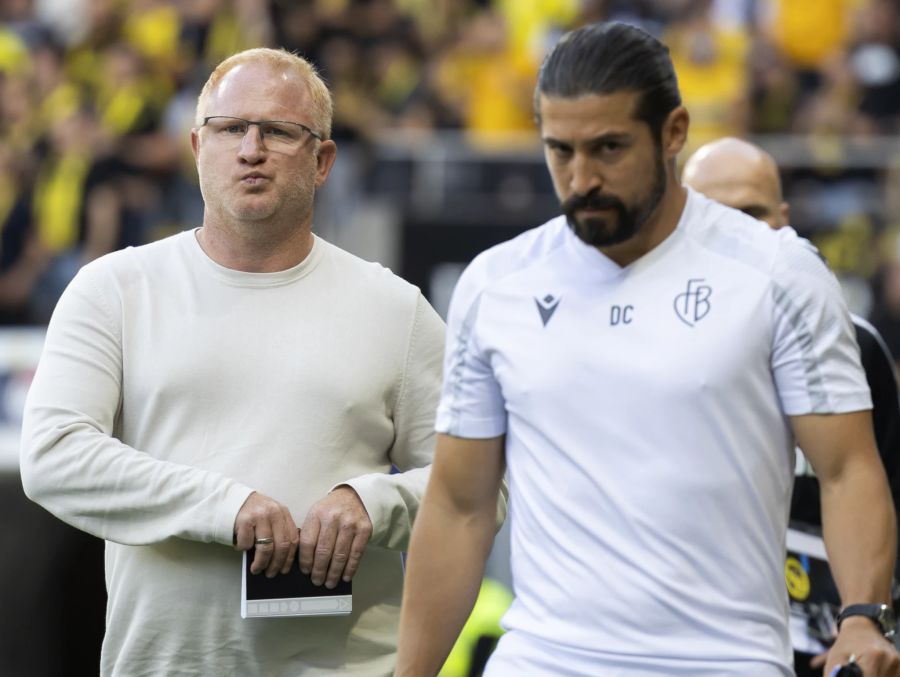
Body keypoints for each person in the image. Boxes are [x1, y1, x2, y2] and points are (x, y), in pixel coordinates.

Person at [396, 21, 900, 677]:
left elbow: (848, 469)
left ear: (674, 131)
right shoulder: (497, 284)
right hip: (542, 658)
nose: (582, 178)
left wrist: (863, 616)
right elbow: (460, 506)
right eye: (560, 151)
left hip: (725, 662)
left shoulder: (778, 273)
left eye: (608, 148)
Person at [19, 47, 450, 676]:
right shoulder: (113, 289)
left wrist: (373, 503)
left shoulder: (395, 308)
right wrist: (225, 507)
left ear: (323, 160)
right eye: (230, 130)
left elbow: (475, 486)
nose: (251, 149)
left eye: (279, 131)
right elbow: (54, 456)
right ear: (197, 147)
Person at [682, 135, 900, 674]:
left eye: (751, 213)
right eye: (712, 214)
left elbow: (885, 493)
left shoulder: (855, 345)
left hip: (829, 645)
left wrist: (868, 621)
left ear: (783, 220)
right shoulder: (640, 350)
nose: (734, 231)